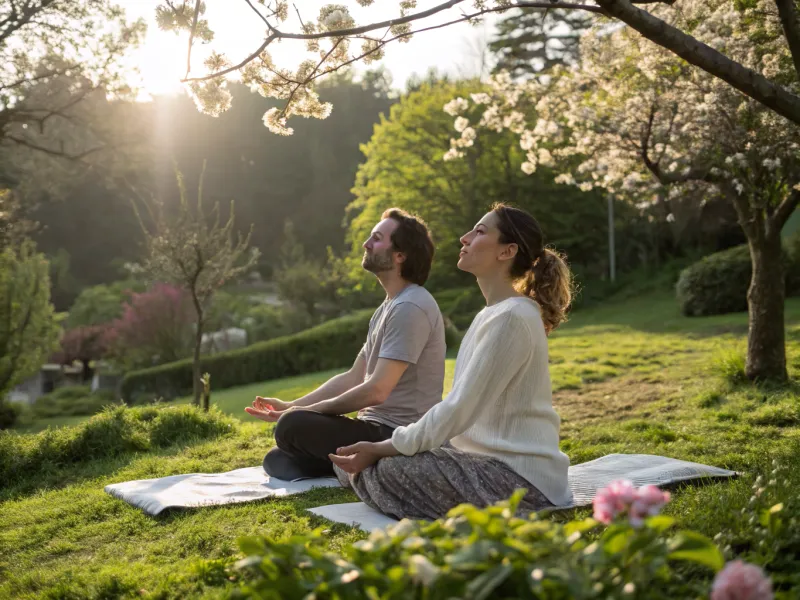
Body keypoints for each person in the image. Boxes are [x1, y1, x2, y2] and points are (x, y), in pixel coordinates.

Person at [330, 203, 574, 520]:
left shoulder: (513, 317)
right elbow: (460, 417)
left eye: (480, 232)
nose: (464, 238)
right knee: (364, 461)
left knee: (383, 466)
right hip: (479, 460)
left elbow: (458, 409)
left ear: (507, 251)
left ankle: (372, 478)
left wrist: (382, 448)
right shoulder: (493, 314)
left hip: (522, 482)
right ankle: (372, 476)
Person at [246, 208, 446, 481]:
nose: (366, 243)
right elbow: (353, 377)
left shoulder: (411, 306)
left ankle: (370, 462)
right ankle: (356, 465)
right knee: (277, 458)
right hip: (372, 426)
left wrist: (301, 413)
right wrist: (289, 404)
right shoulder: (389, 306)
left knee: (292, 427)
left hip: (399, 434)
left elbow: (377, 391)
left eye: (376, 238)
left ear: (400, 255)